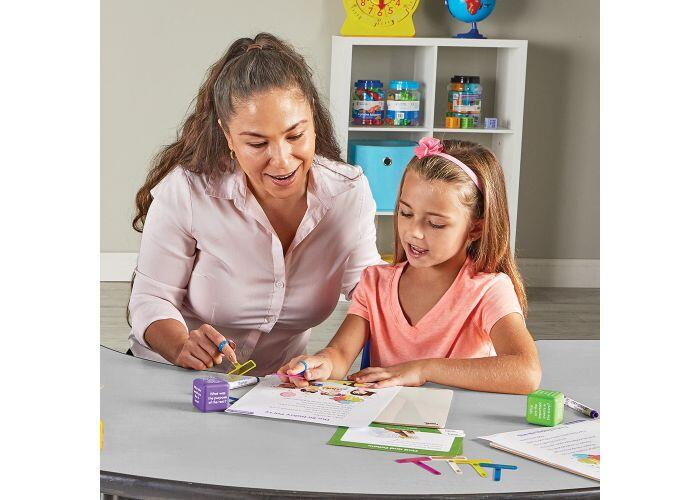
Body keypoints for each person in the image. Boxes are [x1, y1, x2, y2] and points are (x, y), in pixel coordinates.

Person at [127, 33, 383, 375]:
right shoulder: (188, 191)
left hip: (273, 387)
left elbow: (370, 293)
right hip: (174, 377)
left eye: (295, 135)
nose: (282, 160)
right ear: (228, 136)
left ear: (312, 117)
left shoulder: (347, 192)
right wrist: (181, 345)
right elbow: (151, 299)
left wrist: (335, 356)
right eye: (257, 143)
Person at [278, 138, 542, 394]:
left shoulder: (488, 290)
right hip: (382, 421)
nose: (413, 232)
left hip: (454, 419)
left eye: (435, 224)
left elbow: (526, 372)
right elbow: (340, 354)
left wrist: (423, 370)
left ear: (475, 228)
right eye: (405, 213)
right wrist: (321, 363)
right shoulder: (375, 283)